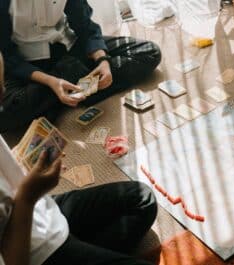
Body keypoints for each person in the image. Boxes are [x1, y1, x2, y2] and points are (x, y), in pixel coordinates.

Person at [0, 52, 158, 265]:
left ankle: (81, 248)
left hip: (42, 211)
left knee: (142, 199)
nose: (2, 93)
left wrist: (16, 162)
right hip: (33, 249)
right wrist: (28, 195)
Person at [0, 0, 162, 132]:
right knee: (4, 115)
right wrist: (50, 81)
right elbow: (7, 55)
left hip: (71, 49)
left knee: (148, 52)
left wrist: (102, 60)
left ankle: (62, 94)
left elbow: (85, 25)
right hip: (27, 65)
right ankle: (73, 84)